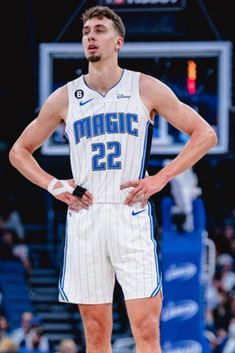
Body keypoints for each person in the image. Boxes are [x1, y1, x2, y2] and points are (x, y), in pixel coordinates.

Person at [9, 5, 217, 353]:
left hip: (129, 213)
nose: (90, 36)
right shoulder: (65, 97)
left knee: (147, 329)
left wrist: (161, 178)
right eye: (86, 31)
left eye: (100, 29)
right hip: (86, 216)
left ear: (118, 41)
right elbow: (19, 151)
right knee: (95, 332)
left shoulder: (145, 87)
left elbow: (204, 133)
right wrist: (54, 185)